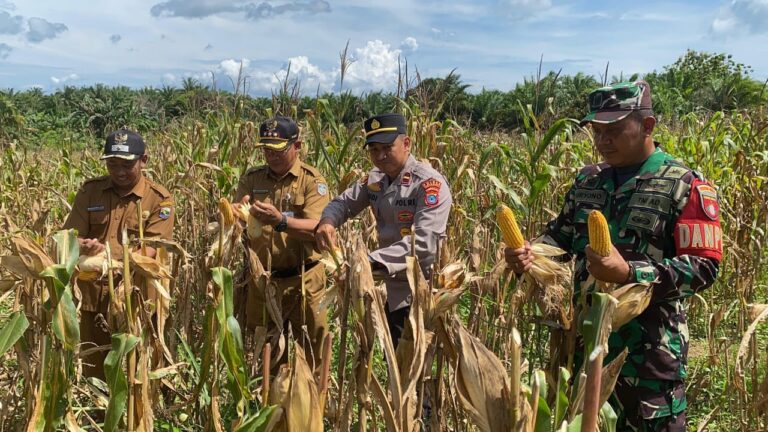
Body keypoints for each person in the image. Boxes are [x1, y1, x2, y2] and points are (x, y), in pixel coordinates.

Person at [505, 81, 722, 431]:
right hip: (582, 346)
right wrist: (531, 252)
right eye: (597, 131)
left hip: (648, 358)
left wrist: (630, 273)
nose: (603, 141)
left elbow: (704, 266)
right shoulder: (588, 181)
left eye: (615, 130)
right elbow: (560, 237)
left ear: (648, 125)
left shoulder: (684, 184)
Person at [315, 113, 452, 343]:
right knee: (394, 367)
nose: (380, 156)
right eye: (373, 149)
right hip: (391, 290)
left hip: (421, 295)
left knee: (413, 370)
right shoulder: (376, 180)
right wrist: (328, 221)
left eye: (387, 147)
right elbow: (343, 203)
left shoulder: (428, 184)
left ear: (406, 143)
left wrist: (365, 263)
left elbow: (424, 243)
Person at [64, 129, 175, 379]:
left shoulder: (159, 200)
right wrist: (84, 246)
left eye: (127, 165)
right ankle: (100, 415)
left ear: (143, 160)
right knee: (95, 371)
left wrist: (108, 261)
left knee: (139, 369)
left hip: (136, 300)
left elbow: (150, 250)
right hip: (92, 298)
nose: (120, 172)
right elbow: (70, 236)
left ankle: (137, 418)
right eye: (113, 165)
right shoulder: (90, 191)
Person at [234, 116, 330, 368]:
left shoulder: (312, 181)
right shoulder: (252, 179)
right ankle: (267, 403)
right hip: (262, 280)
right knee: (264, 350)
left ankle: (312, 404)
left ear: (297, 146)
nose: (270, 155)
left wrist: (280, 222)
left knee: (310, 350)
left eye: (278, 150)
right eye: (266, 149)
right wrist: (233, 216)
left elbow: (318, 229)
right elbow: (237, 217)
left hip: (303, 279)